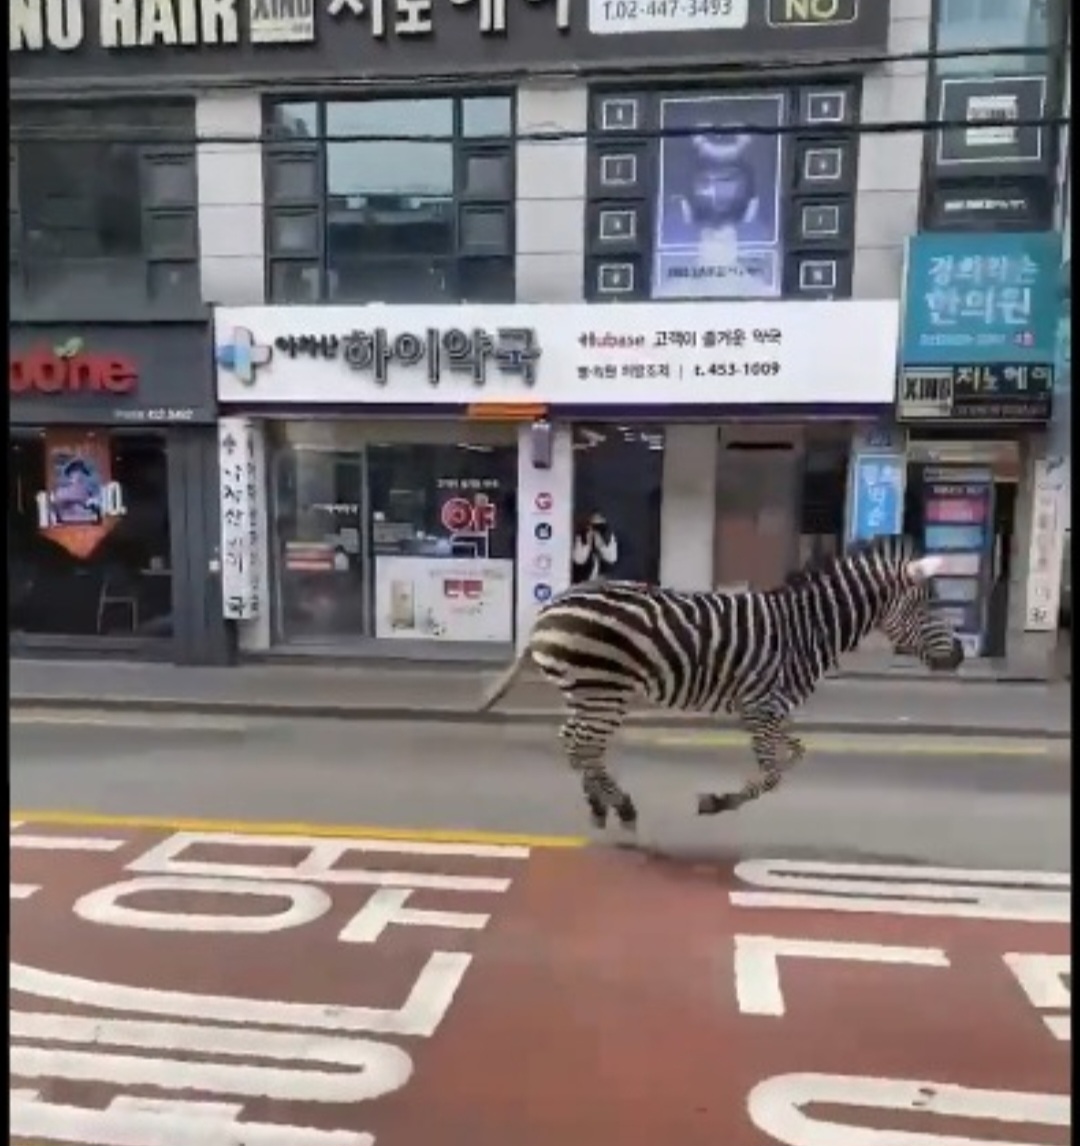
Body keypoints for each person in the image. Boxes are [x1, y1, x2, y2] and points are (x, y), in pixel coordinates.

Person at [572, 512, 619, 584]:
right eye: (593, 527)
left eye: (599, 528)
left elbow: (612, 558)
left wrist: (601, 545)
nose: (595, 531)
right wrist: (588, 544)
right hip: (582, 583)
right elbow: (578, 560)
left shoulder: (609, 538)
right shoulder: (581, 537)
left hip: (603, 583)